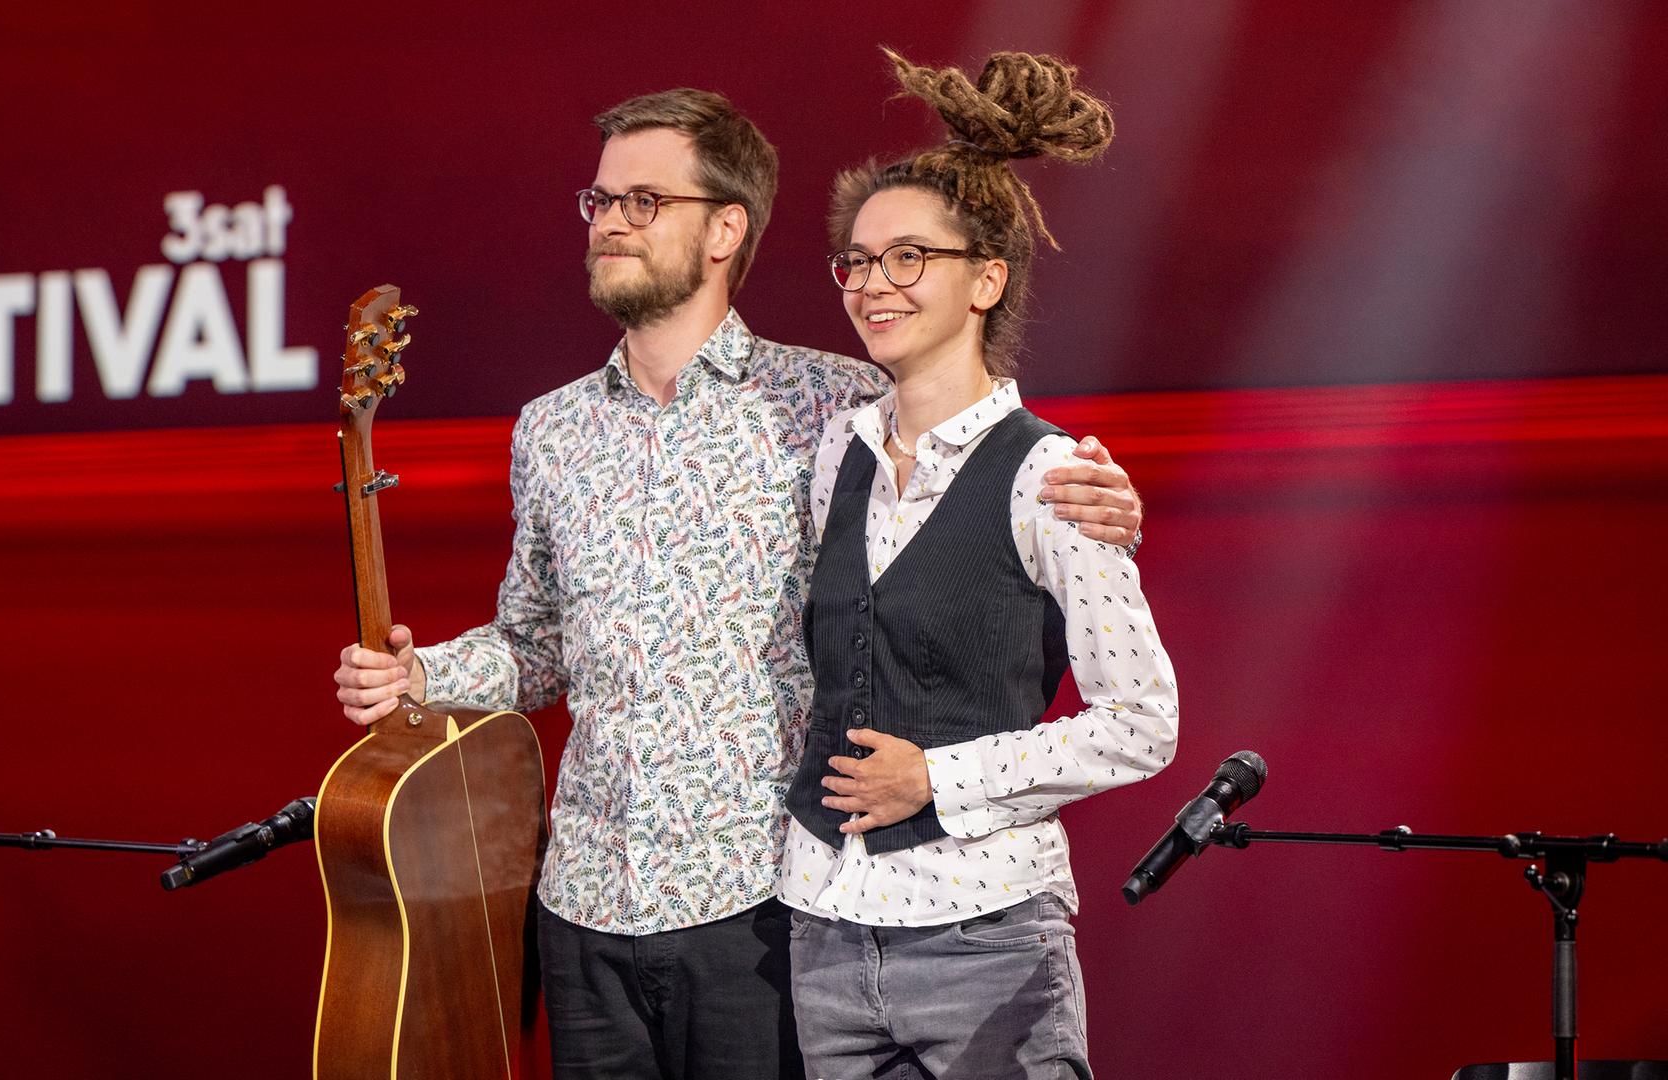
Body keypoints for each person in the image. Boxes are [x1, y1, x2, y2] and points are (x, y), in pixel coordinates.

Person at [333, 87, 1144, 1080]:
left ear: (726, 229)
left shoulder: (832, 404)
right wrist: (424, 678)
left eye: (643, 200)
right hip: (583, 906)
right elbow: (534, 642)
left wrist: (1099, 501)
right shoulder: (548, 429)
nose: (612, 224)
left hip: (763, 903)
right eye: (599, 203)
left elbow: (969, 468)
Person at [779, 49, 1178, 1080]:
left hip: (984, 938)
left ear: (986, 280)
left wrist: (937, 778)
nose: (874, 284)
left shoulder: (1049, 475)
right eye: (858, 262)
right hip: (825, 930)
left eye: (909, 257)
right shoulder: (841, 452)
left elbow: (1144, 723)